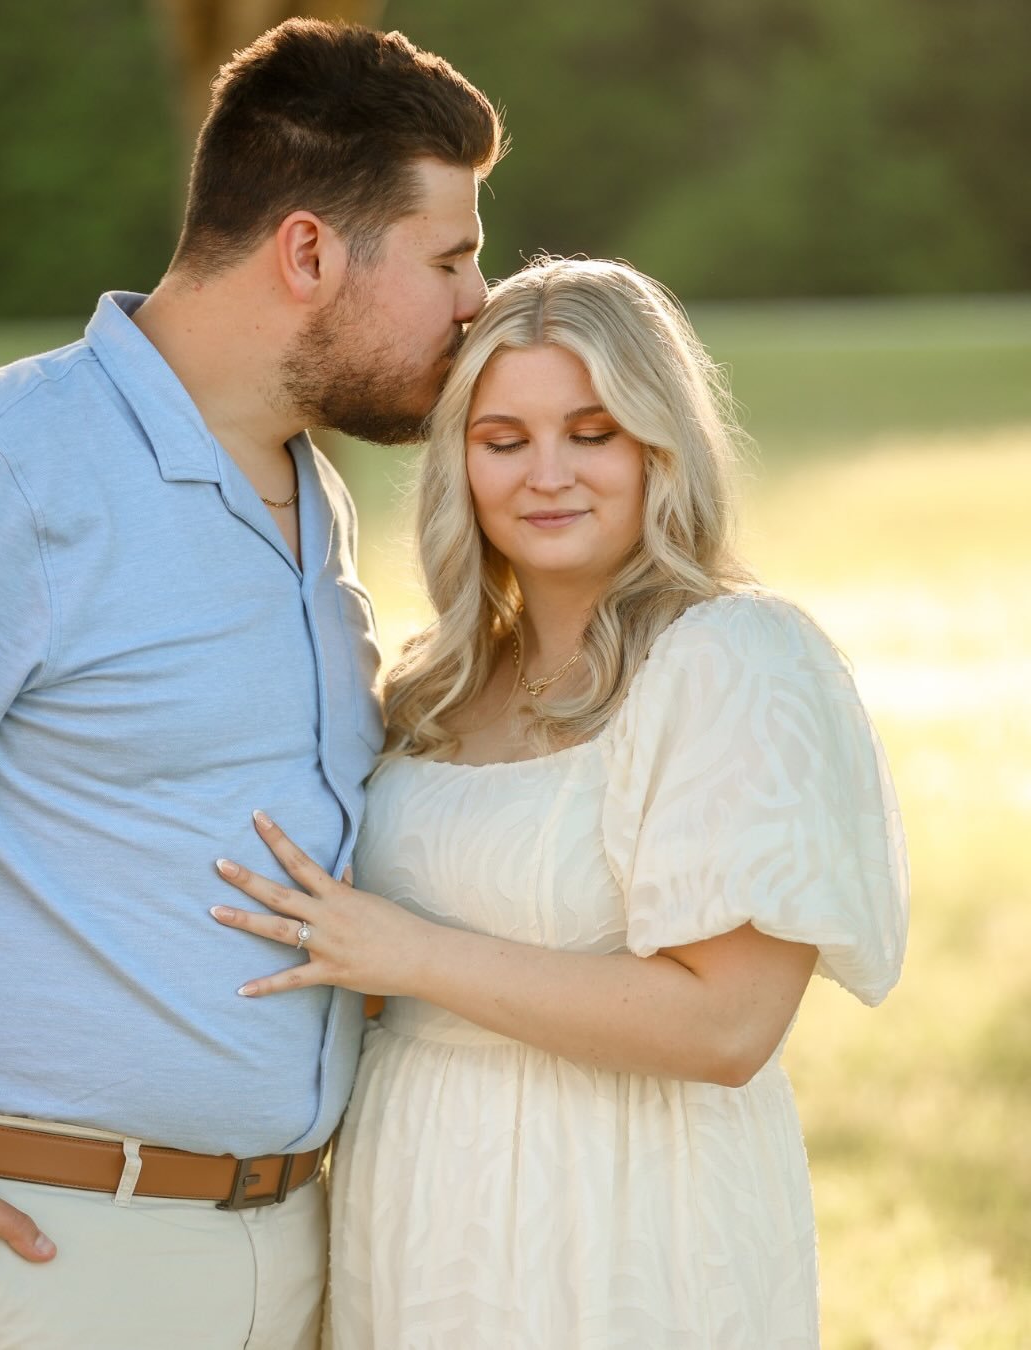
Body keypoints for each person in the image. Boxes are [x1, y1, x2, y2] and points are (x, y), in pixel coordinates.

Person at [211, 257, 910, 1348]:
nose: (547, 475)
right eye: (504, 441)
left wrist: (406, 953)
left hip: (628, 1211)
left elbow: (729, 1024)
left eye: (593, 433)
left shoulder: (733, 659)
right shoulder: (431, 689)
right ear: (462, 462)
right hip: (419, 1206)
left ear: (661, 445)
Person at [0, 19, 501, 1349]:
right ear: (308, 251)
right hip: (58, 1255)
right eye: (450, 258)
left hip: (304, 1250)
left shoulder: (312, 495)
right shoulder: (7, 466)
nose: (480, 301)